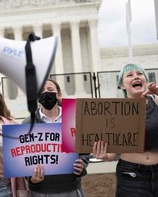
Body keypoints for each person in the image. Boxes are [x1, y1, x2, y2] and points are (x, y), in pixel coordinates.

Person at [93, 63, 158, 197]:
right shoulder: (116, 111)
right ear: (122, 85)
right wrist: (103, 155)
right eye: (129, 75)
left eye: (140, 74)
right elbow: (111, 155)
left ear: (146, 80)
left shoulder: (156, 101)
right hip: (132, 177)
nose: (136, 77)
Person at [21, 78, 88, 197]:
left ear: (59, 95)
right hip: (40, 191)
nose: (46, 92)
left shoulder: (74, 118)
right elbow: (22, 159)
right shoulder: (27, 124)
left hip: (71, 189)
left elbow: (84, 150)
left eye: (50, 89)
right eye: (42, 90)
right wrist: (31, 178)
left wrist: (82, 165)